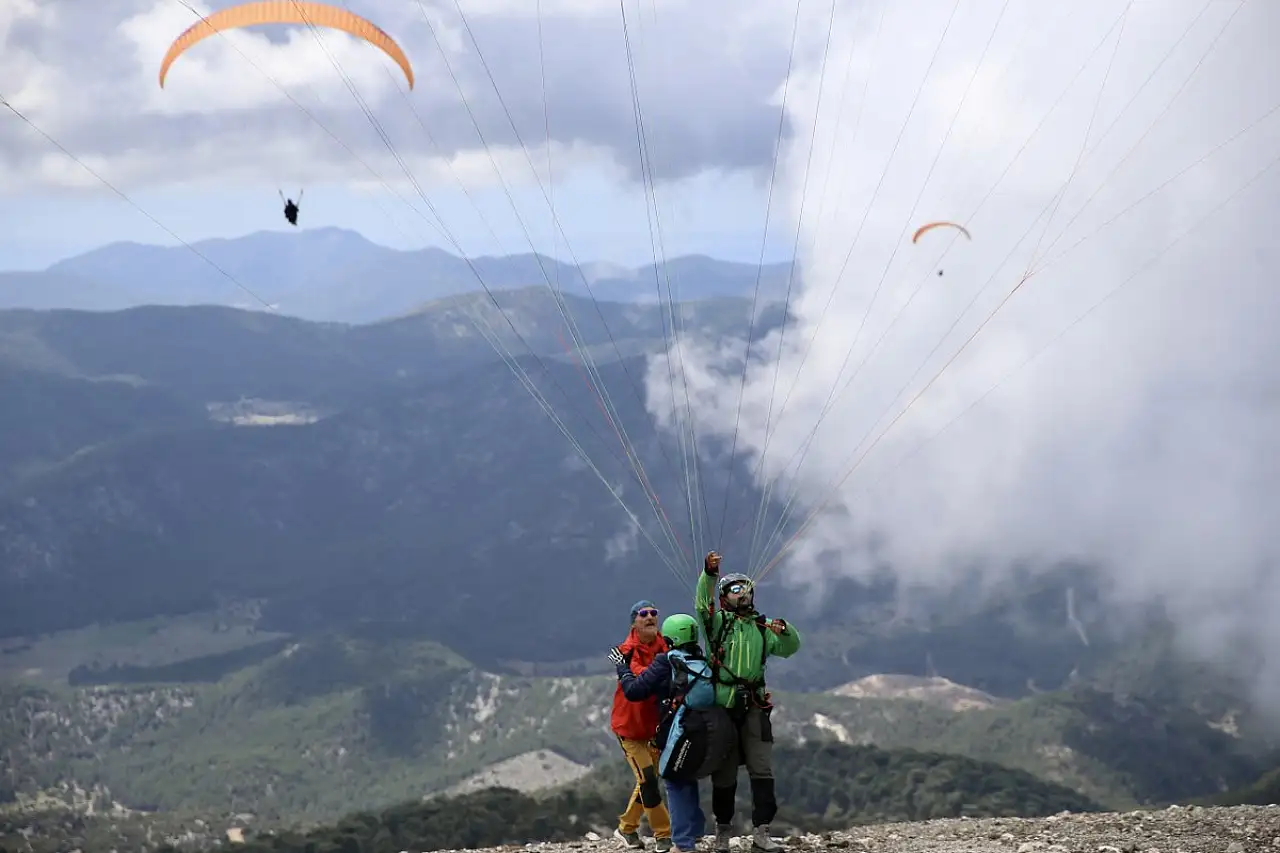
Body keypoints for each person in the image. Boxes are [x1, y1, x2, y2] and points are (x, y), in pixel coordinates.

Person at [697, 551, 802, 853]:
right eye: (735, 588)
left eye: (746, 588)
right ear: (724, 597)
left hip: (754, 705)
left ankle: (762, 831)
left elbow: (790, 648)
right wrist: (709, 574)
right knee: (725, 773)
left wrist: (786, 630)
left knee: (761, 768)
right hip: (724, 706)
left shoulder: (762, 627)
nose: (742, 593)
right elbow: (701, 605)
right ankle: (722, 832)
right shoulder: (716, 624)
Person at [615, 613, 736, 853]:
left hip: (680, 731)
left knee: (673, 779)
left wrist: (623, 668)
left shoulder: (667, 661)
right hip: (705, 731)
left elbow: (634, 691)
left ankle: (682, 843)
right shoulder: (702, 661)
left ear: (671, 638)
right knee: (686, 776)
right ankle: (695, 831)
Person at [607, 600, 674, 852]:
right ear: (633, 622)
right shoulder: (626, 652)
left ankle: (626, 828)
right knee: (648, 780)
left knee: (647, 781)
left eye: (653, 613)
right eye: (643, 614)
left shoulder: (665, 646)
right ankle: (663, 835)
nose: (650, 617)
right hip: (629, 730)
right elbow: (641, 677)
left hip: (654, 728)